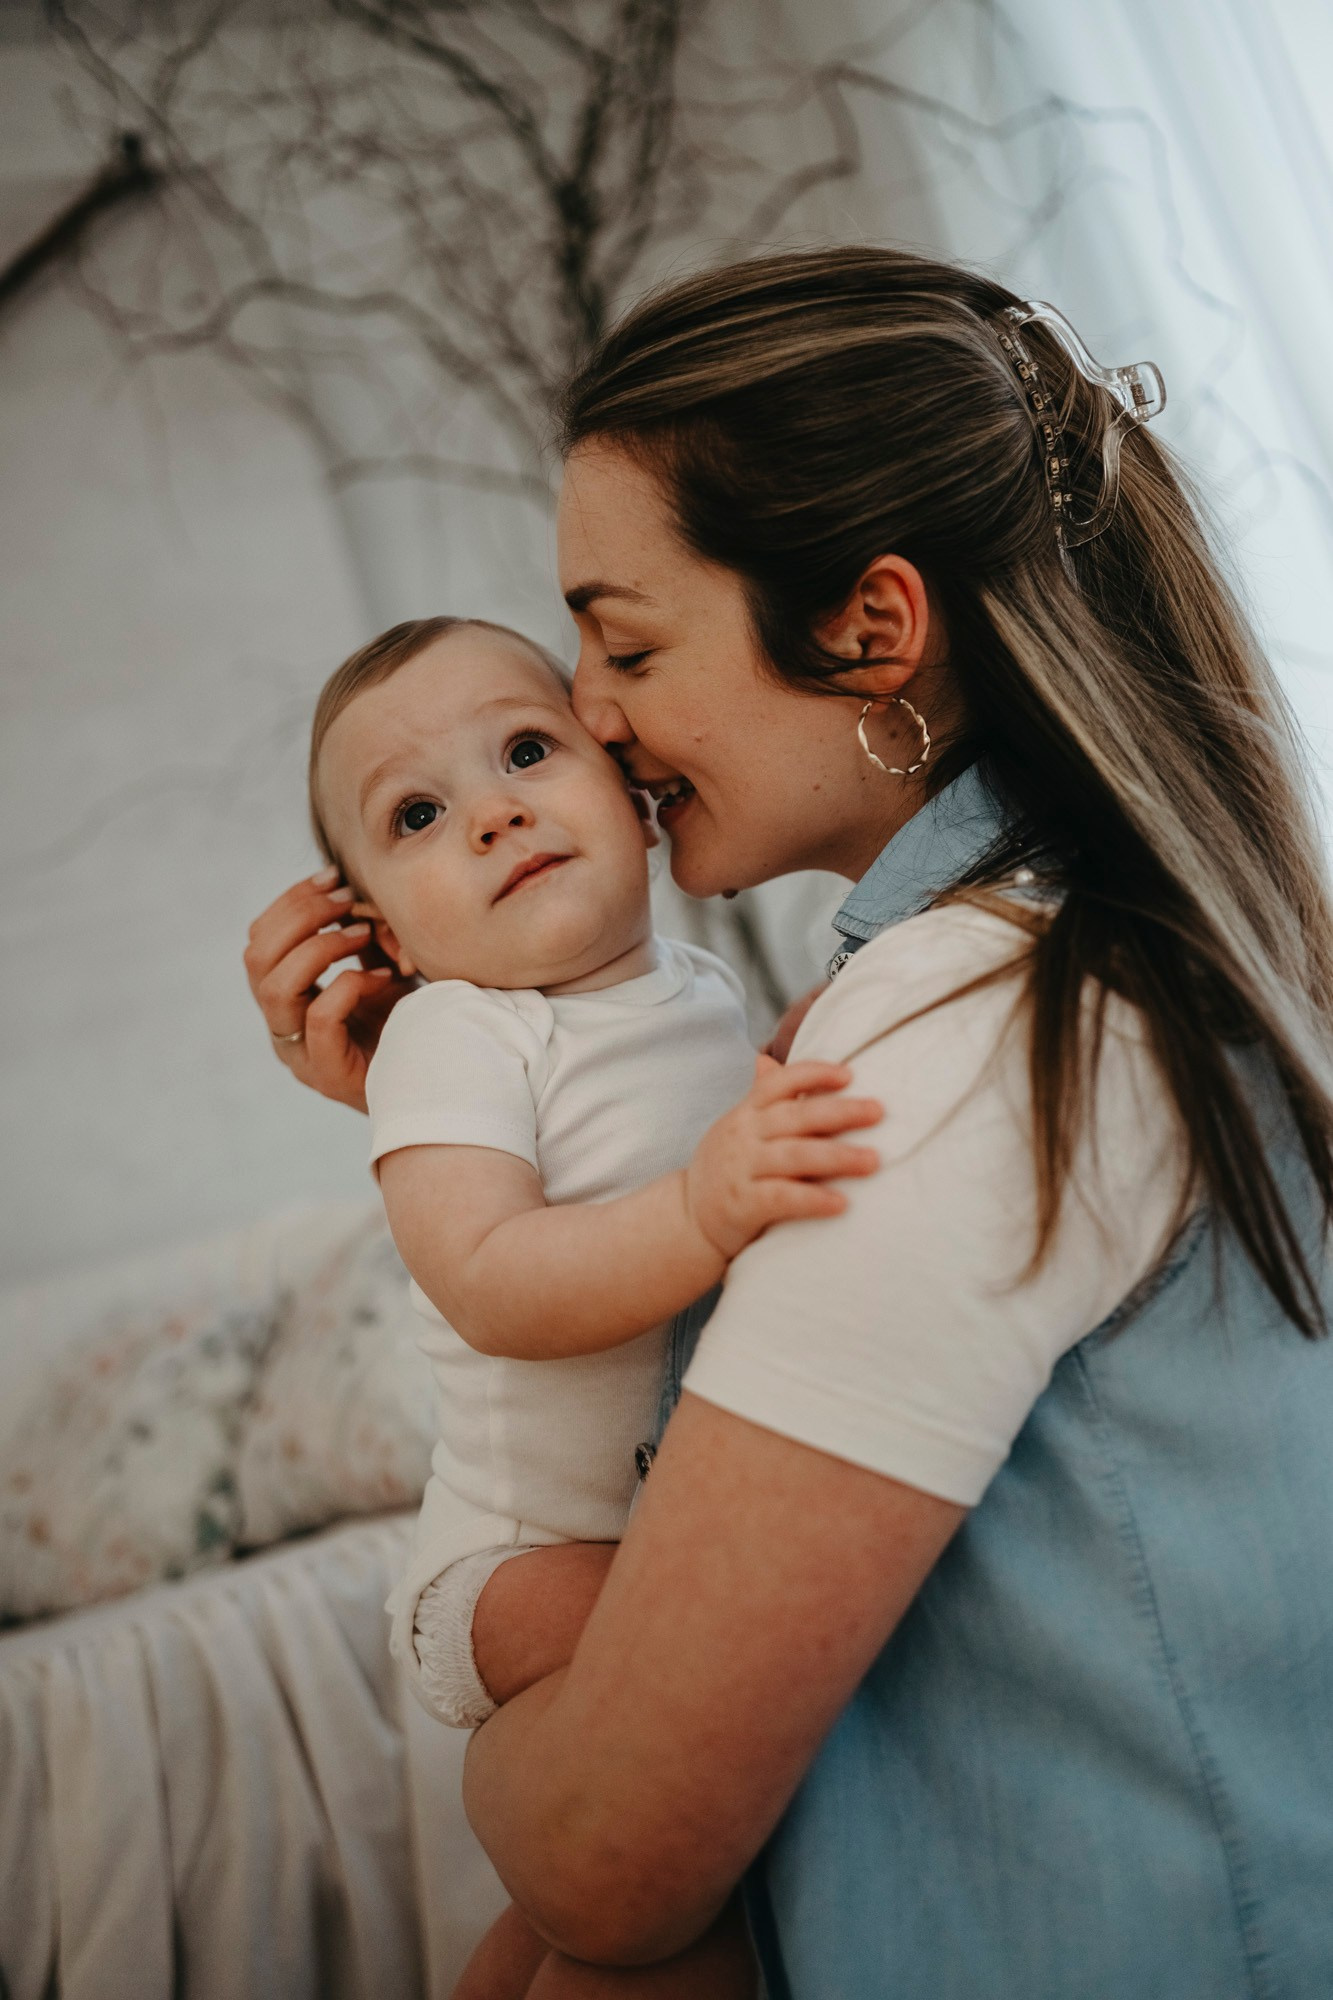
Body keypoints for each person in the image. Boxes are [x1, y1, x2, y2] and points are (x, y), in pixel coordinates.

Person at [246, 248, 1333, 1998]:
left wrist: (501, 1748)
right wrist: (434, 1095)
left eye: (623, 644)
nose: (589, 719)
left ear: (867, 630)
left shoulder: (966, 1039)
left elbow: (607, 1847)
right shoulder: (1050, 958)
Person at [303, 610, 883, 1997]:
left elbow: (718, 1121)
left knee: (647, 1877)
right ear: (384, 925)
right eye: (422, 812)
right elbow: (494, 1281)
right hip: (523, 1555)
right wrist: (698, 1212)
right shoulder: (454, 1039)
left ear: (628, 792)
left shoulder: (691, 990)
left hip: (658, 1518)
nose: (497, 816)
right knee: (698, 1800)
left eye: (523, 751)